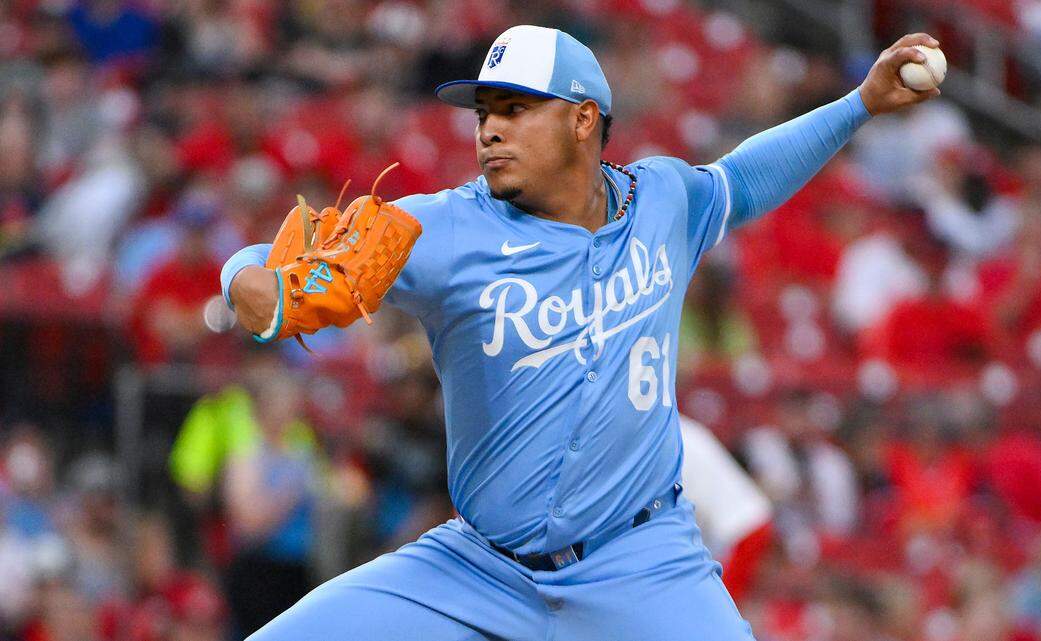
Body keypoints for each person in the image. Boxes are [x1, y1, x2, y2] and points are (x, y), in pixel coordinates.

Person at [219, 24, 940, 641]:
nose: (490, 129)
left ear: (583, 119)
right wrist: (244, 278)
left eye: (515, 109)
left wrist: (861, 104)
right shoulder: (442, 228)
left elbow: (744, 180)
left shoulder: (661, 201)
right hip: (479, 566)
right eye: (483, 113)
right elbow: (286, 261)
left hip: (642, 562)